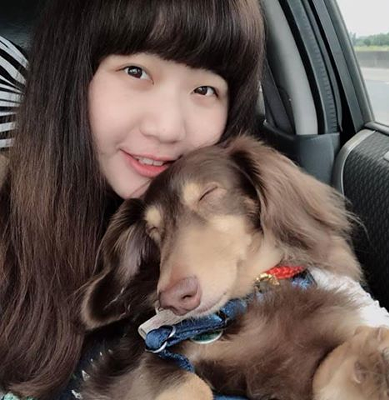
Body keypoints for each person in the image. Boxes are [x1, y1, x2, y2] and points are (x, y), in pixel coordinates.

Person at [0, 0, 265, 398]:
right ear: (73, 74)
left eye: (204, 89)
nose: (167, 127)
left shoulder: (244, 229)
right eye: (135, 71)